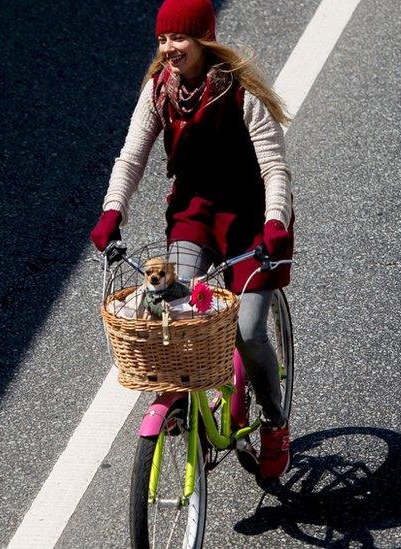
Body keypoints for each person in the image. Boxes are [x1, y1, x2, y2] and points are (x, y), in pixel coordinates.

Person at [89, 0, 294, 478]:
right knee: (175, 312)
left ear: (204, 39)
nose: (168, 48)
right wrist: (111, 210)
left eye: (178, 38)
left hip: (250, 220)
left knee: (247, 331)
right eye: (161, 40)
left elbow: (274, 169)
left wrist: (275, 224)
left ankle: (274, 423)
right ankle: (187, 403)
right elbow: (132, 156)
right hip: (193, 216)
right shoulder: (159, 90)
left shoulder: (241, 94)